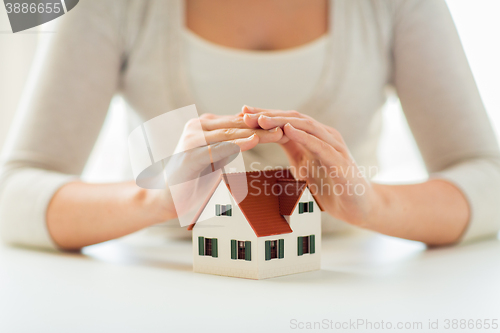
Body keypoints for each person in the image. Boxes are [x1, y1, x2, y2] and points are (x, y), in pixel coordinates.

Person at [1, 0, 499, 251]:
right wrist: (155, 199)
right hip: (157, 288)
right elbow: (14, 189)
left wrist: (373, 202)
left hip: (349, 281)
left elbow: (487, 175)